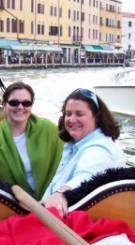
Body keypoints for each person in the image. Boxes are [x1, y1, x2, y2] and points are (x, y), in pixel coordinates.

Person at [0, 82, 64, 200]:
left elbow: (67, 157)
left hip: (50, 199)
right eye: (14, 103)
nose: (20, 107)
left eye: (26, 103)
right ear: (4, 105)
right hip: (11, 205)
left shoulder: (48, 129)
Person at [41, 88, 126, 216]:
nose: (72, 119)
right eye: (68, 114)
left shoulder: (99, 149)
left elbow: (86, 177)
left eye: (79, 114)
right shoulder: (75, 145)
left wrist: (60, 193)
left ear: (96, 117)